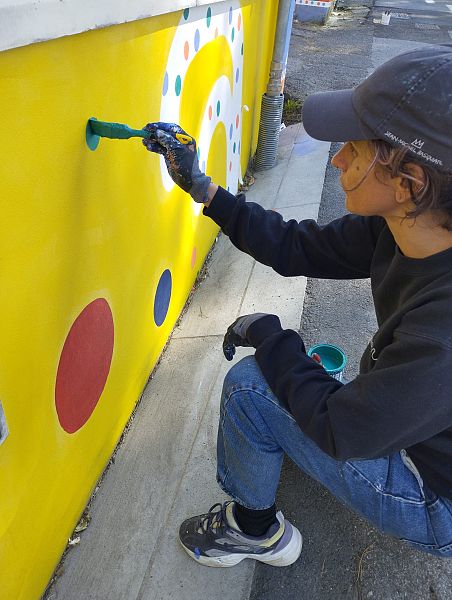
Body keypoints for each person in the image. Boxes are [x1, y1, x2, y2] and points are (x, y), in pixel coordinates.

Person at [142, 43, 452, 567]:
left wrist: (270, 336)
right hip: (421, 431)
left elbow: (340, 428)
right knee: (301, 382)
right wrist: (204, 189)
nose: (338, 158)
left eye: (355, 149)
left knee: (252, 387)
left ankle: (254, 532)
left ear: (409, 183)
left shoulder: (441, 336)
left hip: (438, 500)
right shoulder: (406, 226)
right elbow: (298, 246)